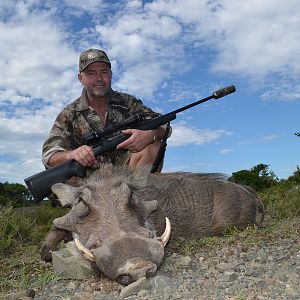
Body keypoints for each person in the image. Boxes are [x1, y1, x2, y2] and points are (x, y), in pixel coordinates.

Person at [42, 48, 170, 177]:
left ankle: (135, 196)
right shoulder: (69, 113)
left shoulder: (129, 103)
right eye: (91, 73)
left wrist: (151, 135)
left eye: (104, 72)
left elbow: (165, 125)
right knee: (58, 174)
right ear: (81, 78)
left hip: (127, 179)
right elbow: (49, 155)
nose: (99, 78)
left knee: (154, 146)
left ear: (111, 75)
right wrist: (73, 154)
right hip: (87, 183)